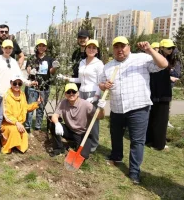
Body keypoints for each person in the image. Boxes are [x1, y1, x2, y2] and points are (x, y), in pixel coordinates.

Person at [99, 37, 168, 184]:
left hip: (138, 107)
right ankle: (116, 157)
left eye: (122, 46)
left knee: (137, 140)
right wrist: (104, 85)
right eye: (116, 47)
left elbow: (163, 64)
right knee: (116, 135)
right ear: (113, 49)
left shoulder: (142, 58)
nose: (119, 49)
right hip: (117, 107)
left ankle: (134, 171)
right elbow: (101, 83)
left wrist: (149, 50)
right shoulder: (108, 66)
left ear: (128, 47)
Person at [58, 39, 104, 152]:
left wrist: (96, 97)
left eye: (94, 48)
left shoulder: (99, 64)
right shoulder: (82, 62)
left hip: (93, 93)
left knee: (93, 120)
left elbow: (100, 82)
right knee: (82, 119)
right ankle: (82, 141)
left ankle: (93, 145)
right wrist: (67, 78)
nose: (91, 49)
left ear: (97, 50)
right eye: (89, 47)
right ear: (86, 48)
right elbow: (80, 79)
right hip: (82, 92)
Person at [50, 83, 105, 158]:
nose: (71, 94)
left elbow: (100, 117)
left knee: (83, 156)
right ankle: (59, 148)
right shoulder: (63, 103)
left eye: (74, 92)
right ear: (65, 94)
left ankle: (76, 144)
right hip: (70, 131)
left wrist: (101, 109)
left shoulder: (86, 105)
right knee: (52, 124)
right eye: (68, 92)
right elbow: (54, 116)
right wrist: (57, 123)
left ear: (78, 93)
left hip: (82, 134)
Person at [147, 39, 181, 150]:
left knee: (158, 119)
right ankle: (157, 143)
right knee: (157, 119)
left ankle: (155, 142)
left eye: (172, 48)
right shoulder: (158, 60)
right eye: (168, 48)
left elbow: (176, 73)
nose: (171, 50)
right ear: (161, 48)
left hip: (162, 93)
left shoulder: (170, 60)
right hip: (157, 93)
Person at [1, 74, 41, 154]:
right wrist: (17, 123)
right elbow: (7, 115)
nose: (17, 85)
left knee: (24, 135)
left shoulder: (22, 94)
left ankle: (16, 146)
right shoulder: (6, 96)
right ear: (11, 83)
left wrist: (37, 104)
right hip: (8, 124)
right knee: (14, 130)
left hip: (19, 124)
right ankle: (8, 146)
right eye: (15, 83)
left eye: (19, 84)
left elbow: (25, 107)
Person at [25, 39, 58, 132]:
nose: (41, 47)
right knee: (31, 107)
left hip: (45, 86)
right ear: (37, 47)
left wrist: (55, 67)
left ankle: (38, 127)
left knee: (41, 108)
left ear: (46, 47)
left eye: (43, 46)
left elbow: (51, 72)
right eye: (40, 45)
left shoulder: (49, 59)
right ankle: (27, 126)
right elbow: (28, 68)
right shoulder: (32, 58)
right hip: (33, 86)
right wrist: (30, 71)